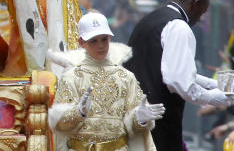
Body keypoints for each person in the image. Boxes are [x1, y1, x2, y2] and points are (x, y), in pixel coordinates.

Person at [123, 0, 234, 150]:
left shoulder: (150, 19)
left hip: (136, 118)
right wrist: (214, 98)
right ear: (195, 4)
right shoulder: (178, 26)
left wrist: (210, 83)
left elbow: (168, 68)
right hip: (159, 123)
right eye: (202, 12)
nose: (200, 18)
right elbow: (178, 81)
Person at [48, 12, 163, 151]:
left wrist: (139, 117)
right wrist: (78, 113)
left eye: (104, 39)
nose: (101, 45)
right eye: (94, 41)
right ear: (81, 43)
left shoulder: (125, 77)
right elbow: (59, 125)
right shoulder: (71, 77)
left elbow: (131, 126)